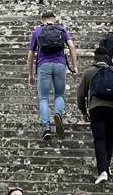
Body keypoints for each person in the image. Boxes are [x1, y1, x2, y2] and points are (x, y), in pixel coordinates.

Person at [77, 45, 113, 183]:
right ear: (107, 58)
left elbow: (81, 94)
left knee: (99, 139)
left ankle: (103, 170)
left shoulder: (89, 72)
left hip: (96, 108)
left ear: (95, 58)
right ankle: (107, 166)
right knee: (110, 139)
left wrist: (83, 111)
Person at [27, 8, 79, 141]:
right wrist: (74, 67)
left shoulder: (37, 31)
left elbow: (31, 54)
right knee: (60, 95)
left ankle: (46, 128)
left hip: (44, 66)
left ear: (42, 20)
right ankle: (58, 113)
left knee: (44, 98)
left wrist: (30, 74)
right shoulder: (61, 29)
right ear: (54, 19)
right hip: (60, 65)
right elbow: (72, 47)